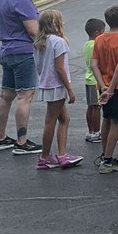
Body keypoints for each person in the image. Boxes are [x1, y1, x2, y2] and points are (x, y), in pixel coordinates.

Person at [0, 0, 41, 154]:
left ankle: (1, 138)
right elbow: (33, 31)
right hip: (22, 52)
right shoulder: (22, 1)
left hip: (6, 51)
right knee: (25, 96)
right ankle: (22, 142)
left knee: (6, 95)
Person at [33, 9, 82, 169]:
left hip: (46, 83)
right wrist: (69, 89)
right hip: (57, 85)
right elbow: (60, 68)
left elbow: (39, 66)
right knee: (50, 121)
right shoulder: (58, 42)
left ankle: (62, 154)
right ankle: (45, 157)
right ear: (56, 23)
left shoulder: (41, 41)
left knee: (64, 119)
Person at [92, 5, 118, 173]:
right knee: (117, 122)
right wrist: (111, 89)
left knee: (107, 119)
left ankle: (105, 154)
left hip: (103, 85)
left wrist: (103, 86)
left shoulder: (99, 39)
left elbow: (94, 64)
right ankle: (108, 161)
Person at [82, 17, 104, 144]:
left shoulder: (87, 44)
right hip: (96, 80)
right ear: (97, 33)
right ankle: (96, 131)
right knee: (97, 107)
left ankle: (91, 131)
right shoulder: (95, 45)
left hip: (89, 78)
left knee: (91, 106)